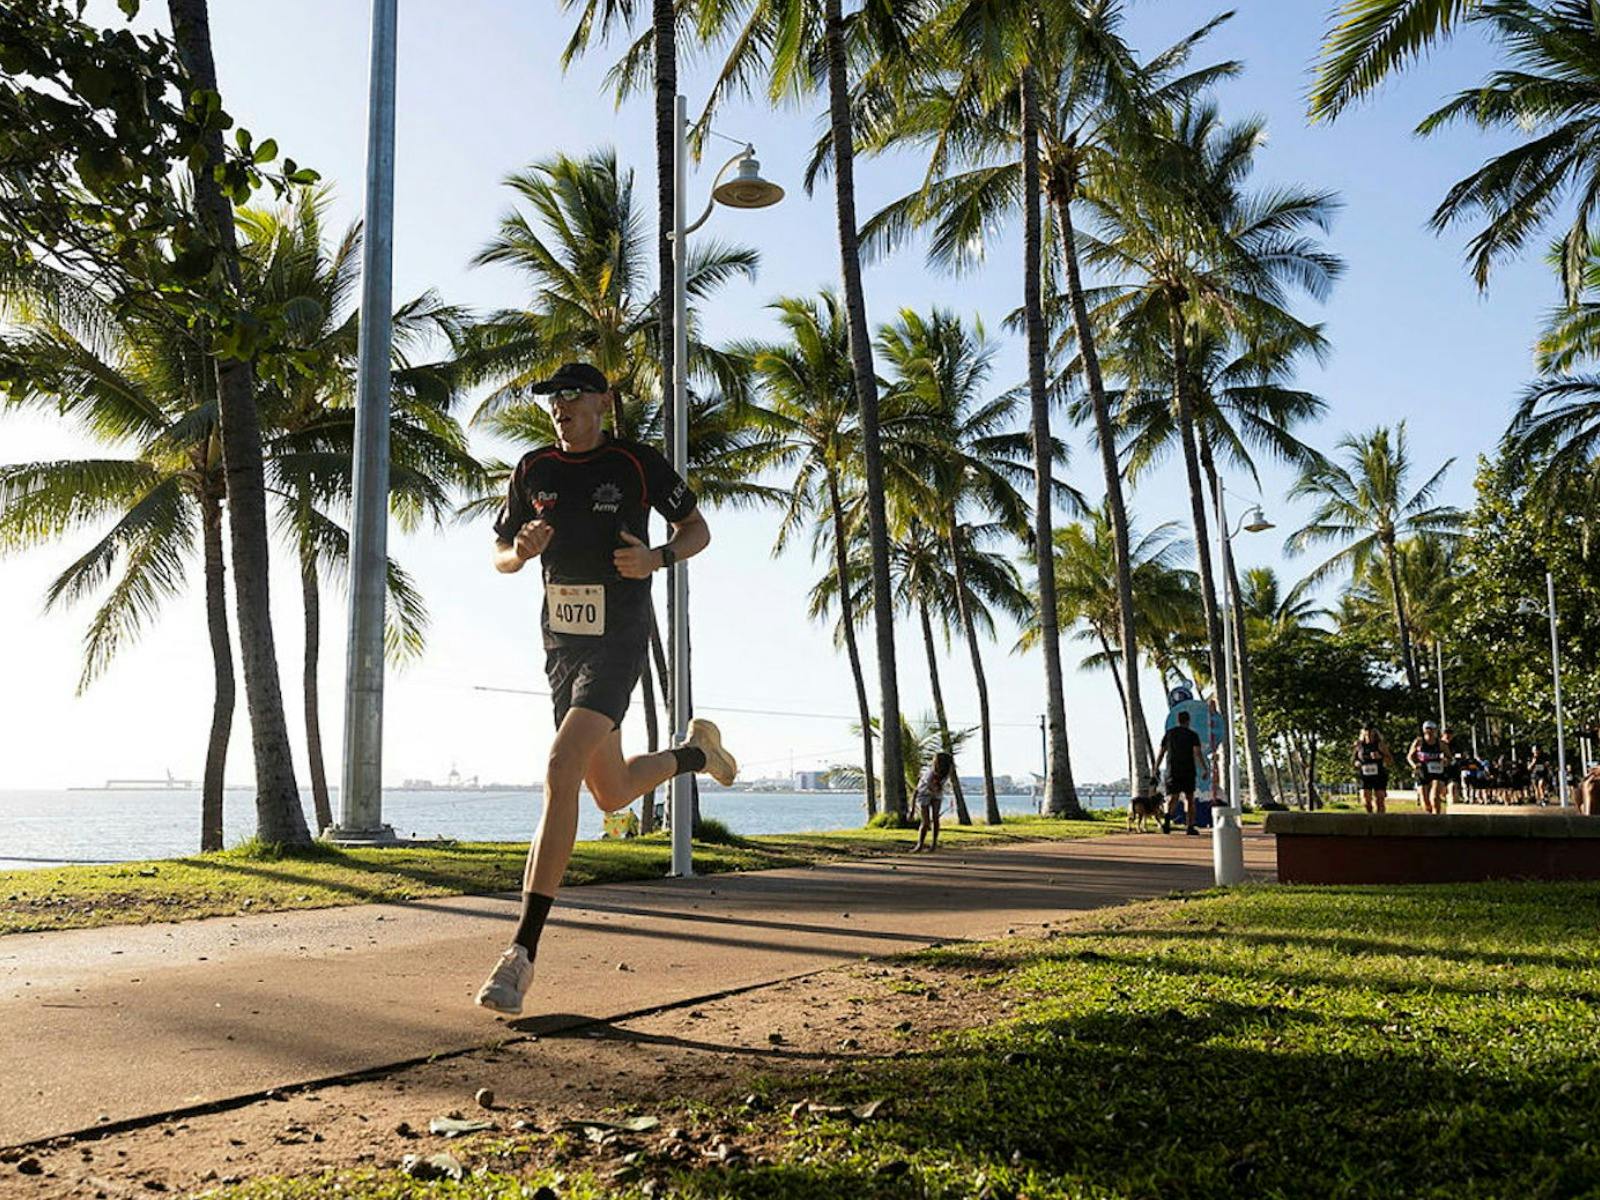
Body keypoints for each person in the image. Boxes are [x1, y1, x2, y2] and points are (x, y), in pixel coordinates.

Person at [474, 363, 738, 1017]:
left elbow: (697, 530)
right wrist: (522, 552)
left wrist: (658, 559)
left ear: (601, 401)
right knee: (609, 790)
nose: (559, 408)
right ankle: (698, 755)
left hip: (620, 637)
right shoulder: (533, 468)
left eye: (571, 396)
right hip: (560, 643)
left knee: (560, 765)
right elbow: (499, 554)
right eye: (551, 400)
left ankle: (520, 955)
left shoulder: (636, 463)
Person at [1153, 710, 1206, 835]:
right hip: (1188, 770)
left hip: (1172, 770)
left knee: (1173, 797)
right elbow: (1197, 753)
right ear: (1188, 721)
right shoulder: (1193, 735)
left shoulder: (1169, 734)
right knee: (1189, 798)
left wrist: (1156, 767)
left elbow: (1161, 752)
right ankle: (1190, 826)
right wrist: (1204, 768)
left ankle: (1167, 820)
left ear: (1178, 720)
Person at [911, 751, 954, 852]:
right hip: (924, 794)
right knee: (925, 822)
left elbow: (938, 787)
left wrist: (937, 790)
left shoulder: (945, 773)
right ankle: (920, 845)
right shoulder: (929, 774)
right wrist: (912, 810)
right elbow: (922, 789)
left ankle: (933, 844)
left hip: (936, 794)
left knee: (935, 818)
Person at [1407, 720, 1449, 814]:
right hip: (1423, 771)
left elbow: (1449, 757)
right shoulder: (1419, 742)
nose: (1429, 733)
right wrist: (1414, 765)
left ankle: (1437, 819)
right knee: (1425, 803)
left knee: (1434, 798)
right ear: (1424, 731)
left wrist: (1446, 761)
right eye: (1427, 730)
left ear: (1435, 731)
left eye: (1431, 730)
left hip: (1437, 771)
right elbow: (1409, 757)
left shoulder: (1441, 744)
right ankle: (1430, 818)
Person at [1352, 722, 1394, 814]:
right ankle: (1370, 816)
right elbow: (1354, 761)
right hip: (1365, 776)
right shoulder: (1359, 745)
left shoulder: (1380, 745)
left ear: (1375, 733)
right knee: (1366, 801)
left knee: (1379, 800)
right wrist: (1357, 763)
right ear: (1363, 733)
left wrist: (1381, 756)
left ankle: (1380, 822)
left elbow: (1390, 760)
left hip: (1379, 775)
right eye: (1366, 733)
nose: (1369, 736)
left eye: (1371, 733)